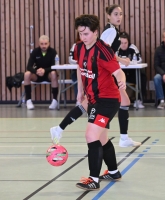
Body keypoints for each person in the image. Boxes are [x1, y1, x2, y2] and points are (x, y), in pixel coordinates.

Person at [50, 4, 141, 148]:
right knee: (96, 103)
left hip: (105, 73)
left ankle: (60, 128)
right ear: (108, 16)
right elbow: (104, 53)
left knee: (119, 102)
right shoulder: (110, 31)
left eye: (121, 14)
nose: (119, 17)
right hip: (103, 75)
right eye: (116, 14)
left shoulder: (114, 31)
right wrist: (123, 60)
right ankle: (60, 128)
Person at [73, 14, 124, 191]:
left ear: (96, 32)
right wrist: (80, 91)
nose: (83, 37)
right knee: (101, 138)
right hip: (94, 99)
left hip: (108, 101)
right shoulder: (79, 48)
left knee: (91, 136)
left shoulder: (104, 50)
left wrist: (122, 81)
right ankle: (114, 171)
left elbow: (118, 72)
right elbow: (81, 69)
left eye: (86, 34)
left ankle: (93, 179)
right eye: (80, 33)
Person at [24, 35, 59, 110]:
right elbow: (29, 66)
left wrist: (44, 70)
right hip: (37, 75)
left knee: (53, 73)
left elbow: (54, 66)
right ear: (39, 44)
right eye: (42, 44)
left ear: (49, 43)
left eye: (45, 44)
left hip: (48, 74)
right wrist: (36, 71)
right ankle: (28, 101)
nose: (44, 46)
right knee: (27, 74)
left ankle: (55, 100)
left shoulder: (53, 52)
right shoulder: (35, 51)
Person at [116, 31, 147, 108]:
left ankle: (139, 100)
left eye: (125, 43)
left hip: (132, 73)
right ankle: (116, 100)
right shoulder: (116, 48)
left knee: (142, 77)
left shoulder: (133, 48)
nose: (123, 45)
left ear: (128, 42)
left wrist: (130, 62)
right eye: (121, 43)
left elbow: (139, 59)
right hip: (120, 74)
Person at [68, 33, 80, 103]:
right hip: (76, 70)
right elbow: (70, 59)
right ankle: (79, 101)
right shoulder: (75, 46)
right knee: (77, 79)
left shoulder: (93, 46)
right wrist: (80, 62)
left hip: (90, 70)